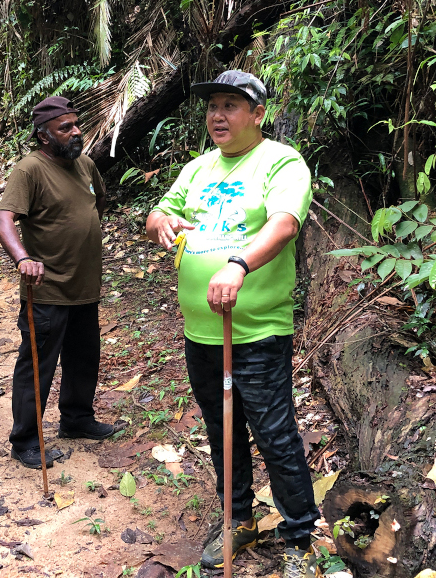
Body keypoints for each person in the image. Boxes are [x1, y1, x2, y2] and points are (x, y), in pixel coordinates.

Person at [146, 71, 321, 578]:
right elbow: (161, 211)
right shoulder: (199, 167)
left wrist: (238, 264)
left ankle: (300, 535)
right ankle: (238, 517)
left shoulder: (280, 161)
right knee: (222, 429)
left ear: (258, 113)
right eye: (212, 107)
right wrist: (163, 222)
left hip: (257, 331)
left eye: (230, 105)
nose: (217, 116)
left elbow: (284, 223)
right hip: (201, 331)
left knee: (274, 432)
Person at [0, 96, 121, 469]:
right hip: (47, 289)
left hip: (85, 285)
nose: (76, 131)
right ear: (43, 136)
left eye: (76, 124)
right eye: (65, 127)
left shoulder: (84, 164)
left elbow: (97, 205)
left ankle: (77, 419)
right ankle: (25, 440)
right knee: (37, 364)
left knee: (84, 357)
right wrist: (23, 258)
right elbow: (4, 221)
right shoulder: (29, 170)